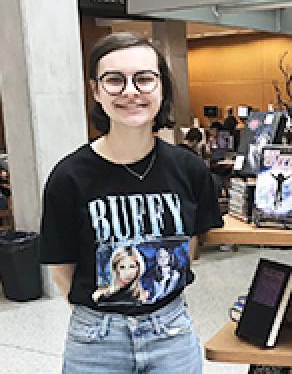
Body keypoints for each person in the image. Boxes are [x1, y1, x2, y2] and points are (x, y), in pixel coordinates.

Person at [39, 32, 223, 373]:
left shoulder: (189, 169)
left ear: (162, 88)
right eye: (114, 80)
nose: (130, 91)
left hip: (171, 332)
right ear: (96, 91)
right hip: (96, 338)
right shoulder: (68, 177)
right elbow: (61, 268)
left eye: (144, 79)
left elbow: (191, 247)